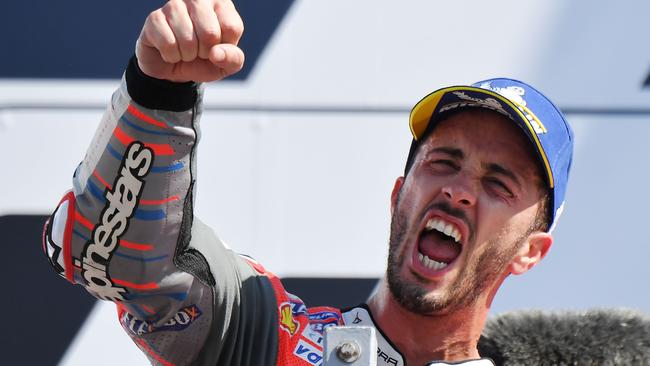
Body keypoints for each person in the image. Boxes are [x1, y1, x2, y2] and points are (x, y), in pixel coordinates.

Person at [42, 0, 573, 365]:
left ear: (531, 251)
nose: (458, 189)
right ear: (399, 196)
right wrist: (159, 95)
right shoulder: (262, 334)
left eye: (498, 183)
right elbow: (109, 254)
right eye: (443, 161)